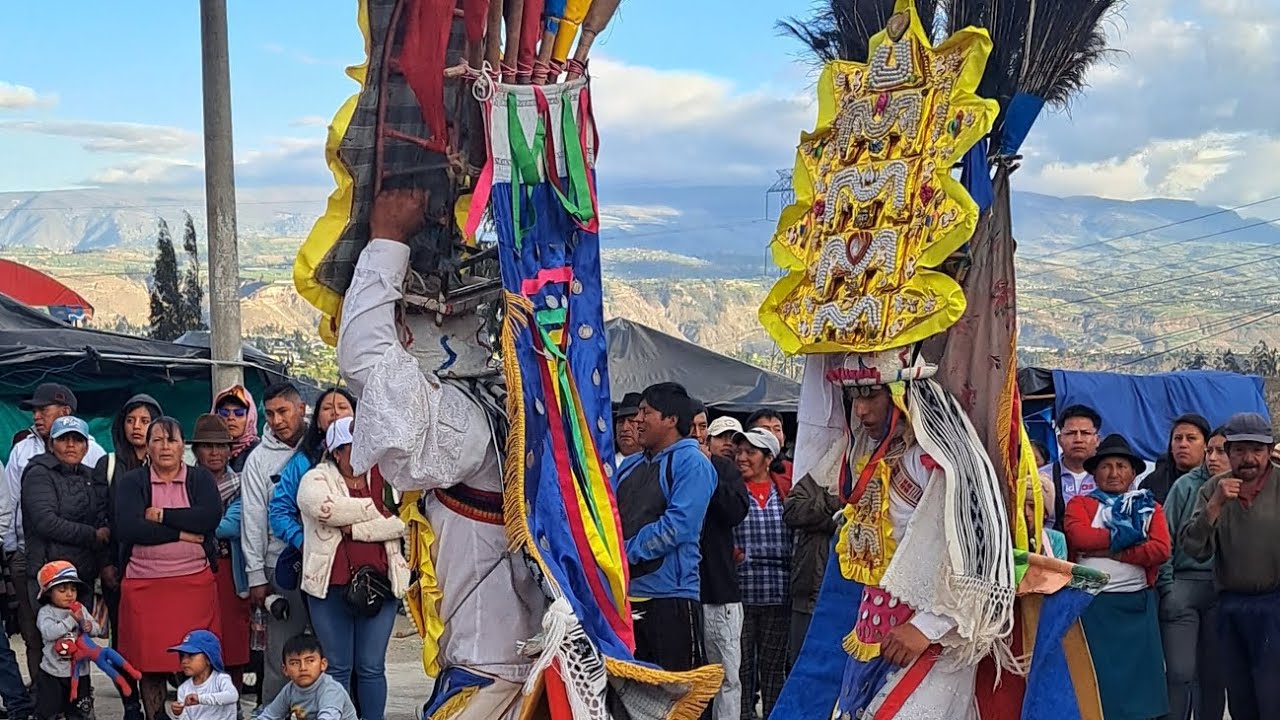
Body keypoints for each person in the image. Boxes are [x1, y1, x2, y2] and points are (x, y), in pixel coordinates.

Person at [778, 351, 1015, 719]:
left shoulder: (936, 462)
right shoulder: (866, 455)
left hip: (930, 638)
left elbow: (976, 554)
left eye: (871, 395)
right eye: (855, 397)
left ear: (904, 394)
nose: (860, 411)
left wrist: (926, 628)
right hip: (873, 629)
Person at [296, 417, 408, 720]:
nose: (363, 454)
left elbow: (403, 522)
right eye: (354, 448)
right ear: (336, 451)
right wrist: (374, 512)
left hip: (381, 587)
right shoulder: (315, 477)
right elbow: (319, 506)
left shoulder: (388, 480)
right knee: (337, 665)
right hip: (329, 587)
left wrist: (354, 527)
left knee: (371, 666)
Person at [114, 417, 222, 720]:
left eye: (172, 440)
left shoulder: (199, 479)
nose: (165, 447)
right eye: (158, 440)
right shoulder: (132, 482)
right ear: (147, 446)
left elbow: (208, 518)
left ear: (182, 446)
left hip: (193, 586)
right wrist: (181, 533)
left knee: (197, 661)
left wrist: (161, 515)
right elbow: (129, 528)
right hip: (144, 586)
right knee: (149, 664)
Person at [2, 384, 105, 683]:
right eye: (34, 410)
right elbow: (21, 510)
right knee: (38, 637)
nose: (35, 416)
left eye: (41, 409)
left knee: (78, 638)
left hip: (79, 570)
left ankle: (79, 701)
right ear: (53, 445)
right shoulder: (26, 455)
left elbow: (99, 508)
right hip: (35, 561)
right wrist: (94, 535)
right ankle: (43, 702)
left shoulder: (94, 457)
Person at [1181, 413, 1280, 719]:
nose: (1248, 458)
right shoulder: (1214, 488)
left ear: (1268, 451)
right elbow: (1193, 549)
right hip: (1230, 606)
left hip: (1275, 605)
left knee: (1273, 697)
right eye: (1239, 450)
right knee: (1240, 697)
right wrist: (1215, 506)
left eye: (1257, 450)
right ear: (1229, 452)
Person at [1064, 434, 1170, 720]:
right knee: (1096, 682)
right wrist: (1130, 537)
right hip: (1092, 609)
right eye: (1106, 466)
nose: (1114, 473)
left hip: (1135, 608)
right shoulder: (1080, 505)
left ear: (1133, 472)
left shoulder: (1150, 507)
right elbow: (1079, 536)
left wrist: (1117, 555)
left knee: (1138, 687)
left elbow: (1160, 549)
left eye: (1121, 466)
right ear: (1095, 472)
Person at [615, 382, 717, 671]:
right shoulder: (629, 465)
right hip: (625, 595)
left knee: (677, 694)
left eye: (646, 412)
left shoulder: (692, 462)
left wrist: (624, 553)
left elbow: (679, 526)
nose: (637, 419)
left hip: (670, 596)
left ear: (671, 420)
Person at [240, 383, 309, 700]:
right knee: (281, 658)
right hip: (279, 568)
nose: (277, 420)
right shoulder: (258, 460)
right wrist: (256, 576)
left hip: (330, 565)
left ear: (301, 409)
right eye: (270, 413)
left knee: (330, 656)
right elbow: (252, 519)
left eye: (283, 411)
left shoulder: (323, 448)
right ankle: (272, 710)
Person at [97, 393, 164, 707]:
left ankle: (155, 704)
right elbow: (99, 517)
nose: (137, 427)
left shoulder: (166, 465)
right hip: (119, 565)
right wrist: (106, 564)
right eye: (130, 420)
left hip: (157, 568)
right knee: (122, 637)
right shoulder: (108, 464)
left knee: (153, 637)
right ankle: (130, 704)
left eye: (145, 421)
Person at [1158, 425, 1228, 720]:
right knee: (1180, 672)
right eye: (1209, 450)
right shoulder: (1186, 486)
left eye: (1221, 451)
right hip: (1184, 586)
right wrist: (1167, 586)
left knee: (1214, 675)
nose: (1213, 457)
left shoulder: (1245, 489)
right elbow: (1165, 537)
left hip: (1223, 590)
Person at [732, 428, 792, 720]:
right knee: (740, 666)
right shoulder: (732, 491)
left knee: (773, 666)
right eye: (739, 452)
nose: (742, 458)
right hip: (741, 592)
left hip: (778, 593)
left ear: (768, 458)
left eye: (750, 452)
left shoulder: (785, 491)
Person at [693, 412, 750, 720]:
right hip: (679, 593)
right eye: (697, 428)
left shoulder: (724, 469)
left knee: (726, 678)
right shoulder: (667, 463)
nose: (699, 434)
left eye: (704, 428)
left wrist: (708, 467)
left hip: (719, 592)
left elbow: (734, 511)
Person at [190, 415, 252, 689]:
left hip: (229, 569)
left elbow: (230, 526)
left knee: (232, 640)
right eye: (207, 446)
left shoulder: (241, 484)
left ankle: (232, 701)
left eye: (221, 446)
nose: (214, 452)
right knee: (197, 638)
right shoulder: (184, 484)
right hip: (191, 569)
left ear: (230, 450)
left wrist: (189, 525)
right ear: (196, 450)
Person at [269, 387, 358, 556]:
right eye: (327, 409)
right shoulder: (303, 462)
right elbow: (279, 510)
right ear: (317, 421)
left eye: (342, 407)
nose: (335, 413)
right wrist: (304, 542)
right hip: (319, 560)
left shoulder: (374, 459)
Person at [782, 463, 841, 665]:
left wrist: (824, 521)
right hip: (809, 592)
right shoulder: (820, 472)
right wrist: (833, 500)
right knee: (801, 666)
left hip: (849, 597)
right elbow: (792, 510)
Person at [33, 561, 98, 720]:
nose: (69, 594)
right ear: (48, 592)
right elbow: (49, 633)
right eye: (62, 590)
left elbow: (97, 629)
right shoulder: (46, 612)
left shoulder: (80, 608)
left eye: (73, 589)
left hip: (80, 672)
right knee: (49, 712)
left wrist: (91, 627)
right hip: (53, 673)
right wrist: (71, 621)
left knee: (79, 711)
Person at [254, 635, 357, 720]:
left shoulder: (331, 690)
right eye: (295, 663)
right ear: (285, 669)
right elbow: (268, 716)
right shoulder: (290, 690)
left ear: (323, 664)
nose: (303, 668)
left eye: (310, 661)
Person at [1039, 404, 1102, 528]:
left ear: (1097, 440)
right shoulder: (1041, 477)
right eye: (1071, 433)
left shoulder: (1111, 478)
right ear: (1059, 439)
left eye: (1085, 433)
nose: (1078, 439)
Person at [165, 630, 239, 720]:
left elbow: (232, 696)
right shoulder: (183, 689)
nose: (184, 661)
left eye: (190, 655)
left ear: (209, 658)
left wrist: (200, 699)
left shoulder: (221, 679)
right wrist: (178, 713)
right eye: (182, 656)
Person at [1142, 414, 1210, 505]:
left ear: (1206, 445)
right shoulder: (1152, 483)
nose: (1183, 444)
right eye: (1178, 438)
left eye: (1191, 438)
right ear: (1171, 446)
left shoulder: (1214, 481)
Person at [212, 386, 261, 474]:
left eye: (239, 412)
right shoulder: (209, 451)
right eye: (224, 412)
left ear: (250, 417)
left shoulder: (258, 453)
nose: (231, 418)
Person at [746, 410, 792, 498]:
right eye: (765, 429)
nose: (772, 434)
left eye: (777, 430)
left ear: (784, 438)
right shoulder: (740, 466)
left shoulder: (793, 470)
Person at [614, 392, 643, 464]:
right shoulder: (604, 463)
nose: (624, 428)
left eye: (632, 421)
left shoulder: (657, 463)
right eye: (620, 422)